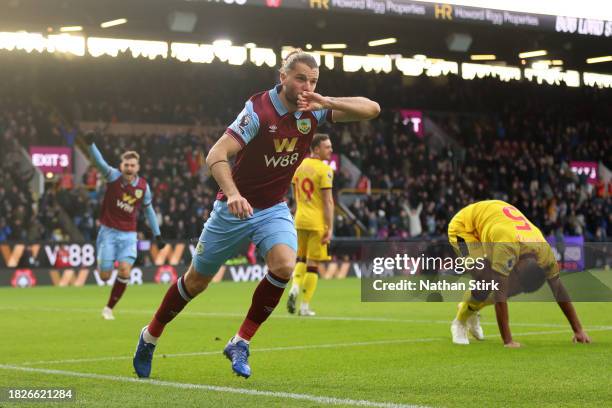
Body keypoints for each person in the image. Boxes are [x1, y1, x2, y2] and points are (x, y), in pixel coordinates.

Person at [133, 50, 380, 378]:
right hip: (232, 209)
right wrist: (233, 193)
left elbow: (372, 109)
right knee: (196, 282)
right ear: (283, 77)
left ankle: (240, 342)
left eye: (313, 80)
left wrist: (326, 101)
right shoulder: (258, 111)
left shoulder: (314, 110)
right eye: (300, 79)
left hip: (273, 208)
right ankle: (150, 336)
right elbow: (216, 154)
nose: (307, 86)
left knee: (284, 266)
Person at [447, 200, 591, 347]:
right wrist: (508, 341)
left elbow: (559, 290)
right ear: (517, 266)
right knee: (484, 279)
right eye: (517, 281)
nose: (516, 287)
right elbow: (499, 295)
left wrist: (578, 330)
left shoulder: (545, 253)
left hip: (495, 221)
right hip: (465, 226)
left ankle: (471, 308)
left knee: (505, 288)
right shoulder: (506, 247)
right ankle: (460, 322)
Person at [85, 132, 165, 320]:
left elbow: (149, 211)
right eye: (126, 165)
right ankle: (102, 261)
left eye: (132, 165)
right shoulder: (113, 176)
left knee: (124, 270)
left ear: (138, 167)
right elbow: (99, 163)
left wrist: (157, 235)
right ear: (122, 166)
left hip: (129, 235)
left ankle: (108, 308)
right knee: (104, 276)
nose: (129, 168)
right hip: (108, 232)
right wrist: (90, 145)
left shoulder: (143, 187)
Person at [287, 133, 334, 316]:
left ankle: (294, 288)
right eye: (327, 147)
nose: (330, 150)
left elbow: (294, 193)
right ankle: (305, 306)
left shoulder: (298, 167)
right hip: (316, 223)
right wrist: (329, 228)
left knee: (300, 259)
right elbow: (328, 202)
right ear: (316, 149)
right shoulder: (325, 170)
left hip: (299, 219)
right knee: (313, 264)